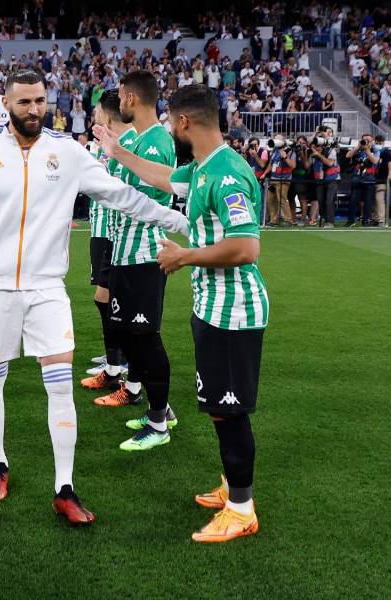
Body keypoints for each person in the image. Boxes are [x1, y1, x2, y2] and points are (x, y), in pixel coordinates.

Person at [0, 69, 188, 520]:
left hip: (47, 289)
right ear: (6, 103)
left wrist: (177, 220)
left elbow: (122, 196)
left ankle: (65, 487)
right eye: (24, 102)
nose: (33, 110)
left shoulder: (66, 153)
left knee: (60, 385)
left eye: (40, 101)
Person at [99, 84, 269, 543]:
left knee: (230, 411)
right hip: (211, 306)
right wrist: (118, 152)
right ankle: (232, 487)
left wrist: (185, 256)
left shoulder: (228, 174)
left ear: (186, 123)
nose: (170, 128)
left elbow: (246, 247)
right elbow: (161, 178)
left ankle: (241, 509)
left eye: (173, 121)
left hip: (234, 311)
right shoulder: (202, 168)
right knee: (219, 409)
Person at [94, 71, 180, 455]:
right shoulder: (134, 140)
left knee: (145, 339)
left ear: (129, 98)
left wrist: (108, 168)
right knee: (128, 334)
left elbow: (138, 197)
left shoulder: (157, 141)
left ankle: (159, 421)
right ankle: (159, 408)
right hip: (124, 253)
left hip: (147, 253)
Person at [80, 90, 130, 391]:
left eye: (97, 109)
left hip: (115, 232)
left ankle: (120, 361)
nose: (94, 114)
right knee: (103, 297)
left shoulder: (122, 145)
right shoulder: (103, 145)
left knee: (108, 298)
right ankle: (114, 358)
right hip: (101, 227)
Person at [345, 134, 380, 227]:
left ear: (372, 140)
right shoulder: (358, 149)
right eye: (364, 140)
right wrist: (358, 147)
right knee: (353, 201)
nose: (366, 141)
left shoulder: (376, 150)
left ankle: (366, 221)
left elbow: (375, 161)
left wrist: (367, 150)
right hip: (357, 179)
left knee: (368, 202)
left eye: (368, 140)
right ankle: (351, 221)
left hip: (369, 180)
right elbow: (348, 156)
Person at [308, 128, 341, 227]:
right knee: (321, 200)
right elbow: (307, 165)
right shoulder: (313, 153)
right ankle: (325, 219)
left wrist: (319, 155)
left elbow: (330, 163)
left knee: (329, 200)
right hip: (320, 180)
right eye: (315, 146)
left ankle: (330, 221)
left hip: (332, 179)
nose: (316, 148)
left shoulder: (331, 151)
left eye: (318, 146)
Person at [264, 134, 295, 225]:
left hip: (284, 179)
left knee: (282, 200)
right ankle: (274, 220)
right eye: (275, 140)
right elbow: (271, 164)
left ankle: (288, 220)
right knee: (270, 200)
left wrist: (285, 157)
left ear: (282, 141)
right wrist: (265, 173)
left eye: (278, 140)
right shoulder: (274, 150)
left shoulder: (290, 151)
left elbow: (293, 166)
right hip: (273, 179)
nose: (275, 142)